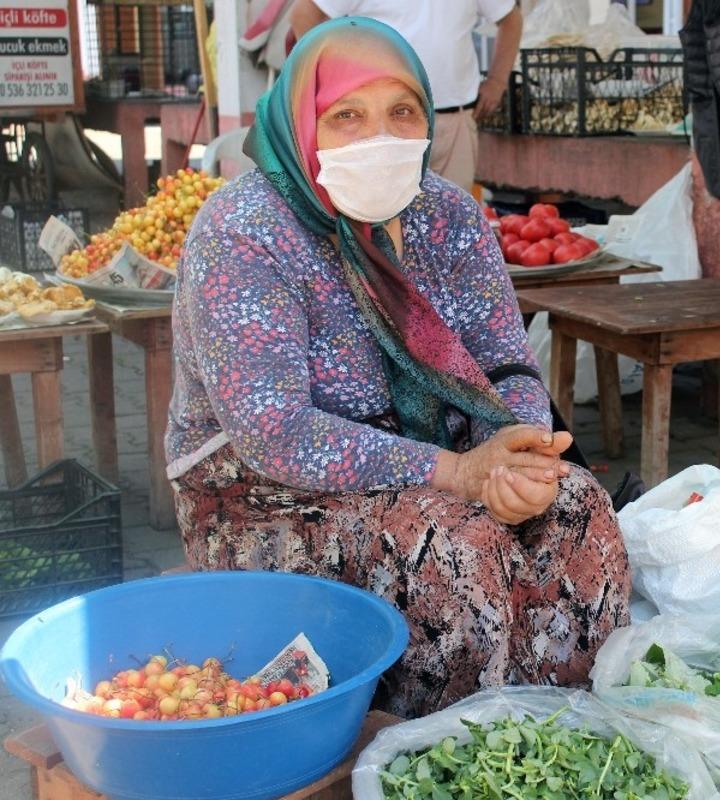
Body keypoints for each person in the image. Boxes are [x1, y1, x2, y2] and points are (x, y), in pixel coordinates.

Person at [166, 17, 630, 719]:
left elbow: (504, 358)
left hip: (437, 459)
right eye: (347, 115)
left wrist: (522, 453)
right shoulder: (244, 231)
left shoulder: (448, 215)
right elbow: (276, 433)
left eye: (401, 112)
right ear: (300, 122)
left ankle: (564, 732)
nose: (379, 136)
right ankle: (448, 751)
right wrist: (461, 474)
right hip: (262, 490)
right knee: (456, 545)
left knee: (578, 507)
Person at [290, 0, 523, 192]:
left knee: (453, 216)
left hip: (454, 117)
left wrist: (497, 81)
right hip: (381, 123)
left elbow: (511, 19)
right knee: (383, 217)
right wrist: (335, 77)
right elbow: (304, 15)